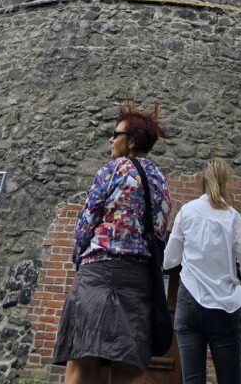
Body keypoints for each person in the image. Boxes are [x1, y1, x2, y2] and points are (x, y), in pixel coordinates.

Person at [53, 101, 172, 384]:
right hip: (138, 277)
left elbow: (87, 221)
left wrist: (78, 256)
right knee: (128, 369)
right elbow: (159, 230)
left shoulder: (113, 169)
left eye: (115, 134)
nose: (110, 139)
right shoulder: (160, 180)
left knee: (82, 362)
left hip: (99, 270)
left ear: (131, 141)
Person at [163, 158, 241, 384]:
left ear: (202, 182)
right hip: (223, 306)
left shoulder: (186, 212)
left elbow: (169, 260)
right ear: (225, 182)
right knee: (229, 379)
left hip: (188, 301)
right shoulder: (232, 217)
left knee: (192, 380)